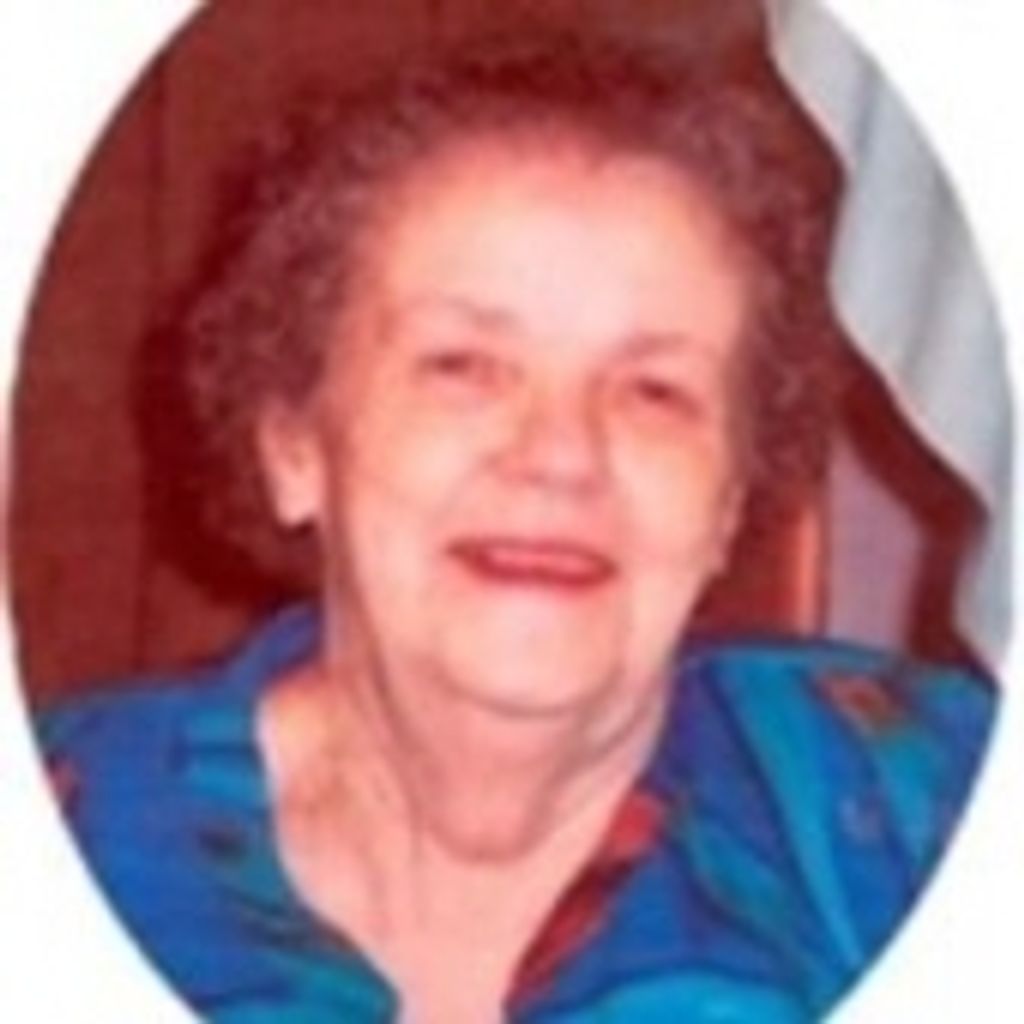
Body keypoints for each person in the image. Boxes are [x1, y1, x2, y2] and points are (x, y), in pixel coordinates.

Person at [36, 28, 993, 1024]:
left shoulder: (929, 806)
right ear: (295, 448)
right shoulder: (69, 835)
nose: (561, 453)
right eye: (463, 367)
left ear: (729, 499)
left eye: (653, 391)